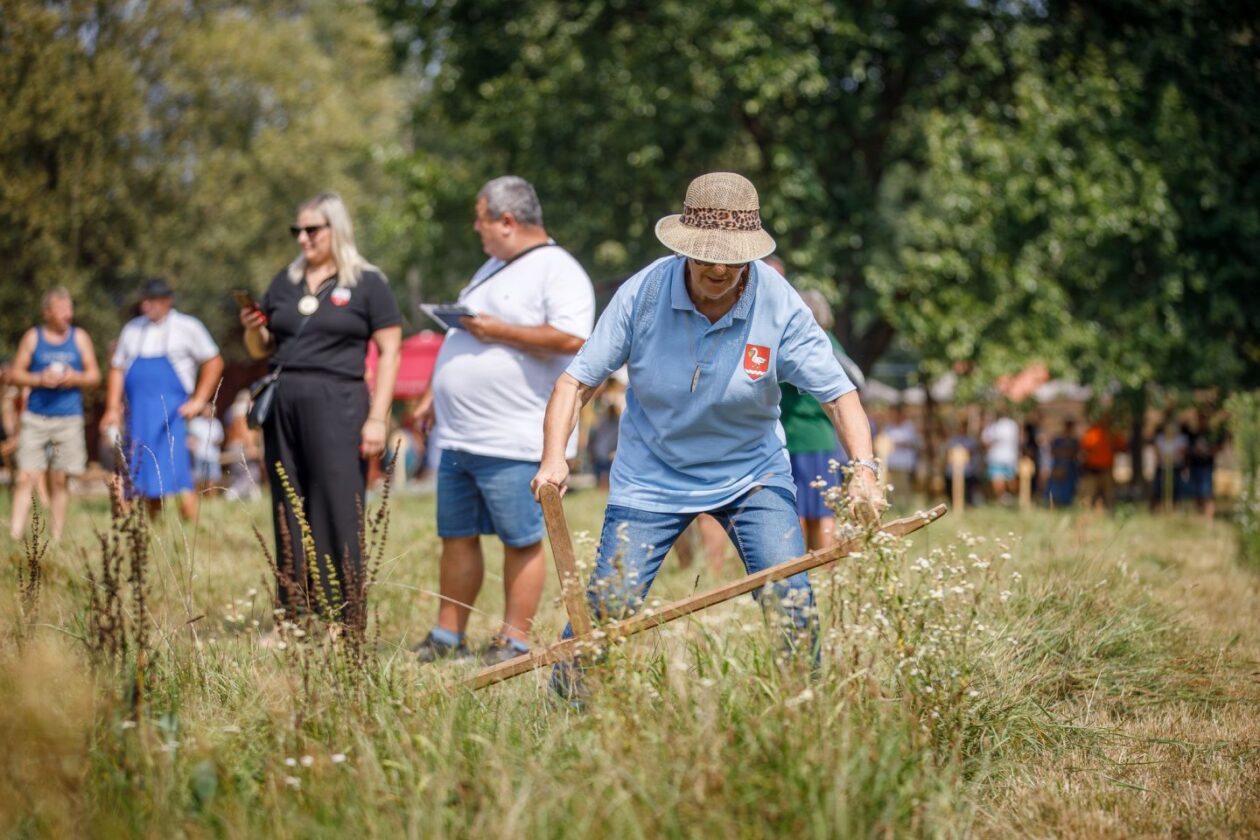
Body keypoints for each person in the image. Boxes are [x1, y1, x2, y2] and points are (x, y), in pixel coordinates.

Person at [531, 172, 884, 700]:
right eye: (706, 257)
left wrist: (864, 472)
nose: (719, 269)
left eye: (732, 258)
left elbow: (840, 395)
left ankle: (805, 712)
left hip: (752, 473)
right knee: (610, 604)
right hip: (651, 476)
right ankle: (566, 706)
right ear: (684, 247)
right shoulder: (645, 293)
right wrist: (554, 457)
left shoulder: (780, 303)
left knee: (790, 596)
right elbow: (574, 382)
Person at [410, 176, 595, 665]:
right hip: (461, 437)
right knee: (457, 536)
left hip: (515, 438)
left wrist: (498, 331)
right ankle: (448, 636)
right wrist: (434, 392)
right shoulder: (491, 267)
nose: (477, 228)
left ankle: (512, 641)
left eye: (482, 219)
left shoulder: (558, 269)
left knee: (520, 539)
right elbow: (465, 339)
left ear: (508, 222)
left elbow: (577, 338)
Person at [241, 192, 401, 625]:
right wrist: (252, 330)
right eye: (298, 231)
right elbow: (262, 348)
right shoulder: (284, 282)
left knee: (338, 506)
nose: (303, 238)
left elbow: (389, 352)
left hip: (341, 403)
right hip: (284, 405)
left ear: (336, 229)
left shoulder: (368, 283)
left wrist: (377, 418)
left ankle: (344, 618)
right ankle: (294, 616)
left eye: (312, 230)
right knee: (287, 508)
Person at [101, 279, 223, 520]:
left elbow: (214, 360)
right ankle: (150, 526)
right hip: (138, 415)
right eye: (144, 301)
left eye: (153, 301)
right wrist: (112, 408)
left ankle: (191, 527)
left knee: (178, 473)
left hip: (171, 415)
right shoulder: (132, 329)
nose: (147, 306)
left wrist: (199, 400)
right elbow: (117, 369)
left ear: (168, 301)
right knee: (140, 471)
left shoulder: (187, 326)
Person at [773, 258, 855, 550]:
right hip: (819, 437)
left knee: (801, 512)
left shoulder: (797, 342)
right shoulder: (833, 342)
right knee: (823, 509)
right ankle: (822, 568)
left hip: (797, 436)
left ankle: (804, 564)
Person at [7, 288, 101, 540]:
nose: (68, 314)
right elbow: (14, 374)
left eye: (70, 309)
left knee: (60, 479)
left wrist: (75, 377)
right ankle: (14, 534)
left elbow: (95, 376)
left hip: (68, 418)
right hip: (36, 417)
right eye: (62, 310)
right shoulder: (32, 338)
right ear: (47, 312)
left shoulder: (80, 338)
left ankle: (56, 537)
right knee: (26, 475)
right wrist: (39, 378)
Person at [1079, 410, 1124, 510]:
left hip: (1107, 470)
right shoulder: (1092, 433)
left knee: (1109, 495)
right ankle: (1086, 514)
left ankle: (1109, 513)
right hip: (1093, 470)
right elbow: (1084, 449)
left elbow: (1122, 447)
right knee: (1089, 495)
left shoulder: (1113, 433)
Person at [981, 410, 1021, 503]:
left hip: (1001, 458)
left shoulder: (993, 426)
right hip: (1007, 458)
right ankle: (1006, 499)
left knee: (1003, 480)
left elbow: (985, 442)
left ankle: (1005, 498)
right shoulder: (1012, 425)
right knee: (1002, 479)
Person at [186, 404, 225, 494]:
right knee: (198, 477)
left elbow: (221, 438)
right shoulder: (195, 423)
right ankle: (198, 495)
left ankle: (211, 497)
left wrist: (217, 441)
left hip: (213, 455)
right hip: (199, 454)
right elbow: (190, 439)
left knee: (213, 477)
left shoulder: (216, 423)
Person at [884, 403, 920, 498]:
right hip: (891, 462)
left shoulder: (908, 426)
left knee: (903, 487)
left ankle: (904, 506)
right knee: (892, 487)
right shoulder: (888, 426)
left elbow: (912, 442)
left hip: (904, 463)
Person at [1045, 418, 1081, 507]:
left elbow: (1074, 453)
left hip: (1069, 469)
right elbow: (1053, 451)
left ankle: (1065, 503)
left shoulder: (1074, 440)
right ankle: (1054, 502)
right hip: (1058, 466)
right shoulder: (1058, 439)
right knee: (1056, 486)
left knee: (1068, 487)